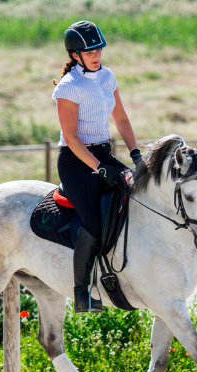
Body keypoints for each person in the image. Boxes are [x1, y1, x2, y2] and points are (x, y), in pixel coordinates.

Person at [52, 20, 142, 314]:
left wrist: (136, 155)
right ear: (75, 55)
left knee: (139, 194)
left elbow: (122, 120)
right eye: (89, 51)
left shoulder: (107, 78)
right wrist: (99, 168)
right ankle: (82, 294)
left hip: (103, 152)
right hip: (76, 162)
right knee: (93, 223)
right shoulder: (69, 87)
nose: (96, 55)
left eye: (99, 49)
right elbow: (70, 137)